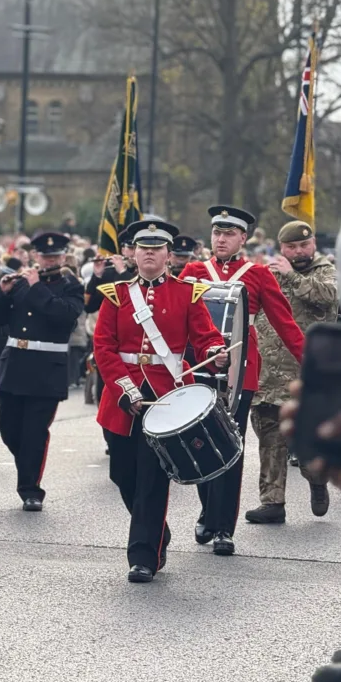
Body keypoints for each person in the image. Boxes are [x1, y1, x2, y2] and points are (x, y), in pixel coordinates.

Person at [93, 219, 229, 582]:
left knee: (153, 479)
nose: (149, 253)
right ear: (133, 253)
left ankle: (144, 556)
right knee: (122, 475)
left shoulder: (188, 293)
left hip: (167, 399)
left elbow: (206, 337)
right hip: (122, 398)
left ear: (169, 255)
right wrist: (124, 389)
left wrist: (216, 351)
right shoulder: (115, 295)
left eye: (157, 248)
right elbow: (103, 348)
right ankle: (157, 532)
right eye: (143, 247)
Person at [180, 206, 306, 555]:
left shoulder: (259, 275)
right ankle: (208, 508)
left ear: (242, 238)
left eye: (229, 234)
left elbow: (285, 324)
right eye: (216, 233)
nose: (220, 239)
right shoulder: (191, 272)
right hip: (199, 366)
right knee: (200, 444)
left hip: (241, 371)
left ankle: (223, 527)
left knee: (231, 448)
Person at [245, 220, 338, 524]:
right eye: (291, 247)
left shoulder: (324, 270)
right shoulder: (270, 271)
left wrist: (292, 276)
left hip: (306, 372)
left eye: (303, 245)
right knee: (269, 434)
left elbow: (327, 297)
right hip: (268, 372)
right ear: (281, 247)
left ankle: (317, 479)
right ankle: (273, 501)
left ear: (313, 245)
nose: (298, 251)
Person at [0, 232, 84, 511]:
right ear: (34, 256)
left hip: (47, 370)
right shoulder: (19, 284)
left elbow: (65, 316)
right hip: (15, 363)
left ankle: (30, 488)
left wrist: (37, 287)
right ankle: (27, 464)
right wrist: (2, 294)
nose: (49, 259)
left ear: (64, 257)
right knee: (7, 426)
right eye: (44, 255)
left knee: (34, 432)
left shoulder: (71, 285)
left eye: (55, 255)